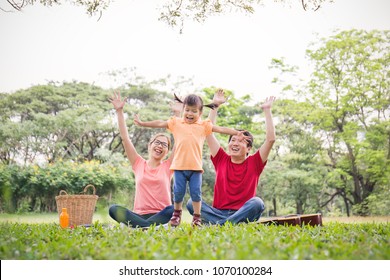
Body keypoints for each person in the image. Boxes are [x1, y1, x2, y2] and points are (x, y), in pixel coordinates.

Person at [134, 93, 248, 227]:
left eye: (194, 111)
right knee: (178, 192)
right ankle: (177, 214)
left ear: (200, 113)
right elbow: (160, 123)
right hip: (179, 167)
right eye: (187, 110)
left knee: (196, 193)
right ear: (183, 110)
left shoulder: (203, 126)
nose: (189, 113)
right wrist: (143, 123)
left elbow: (220, 129)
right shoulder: (176, 123)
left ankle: (197, 217)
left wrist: (236, 132)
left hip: (195, 168)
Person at [186, 91, 276, 225]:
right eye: (233, 140)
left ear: (249, 148)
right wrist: (215, 105)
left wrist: (267, 110)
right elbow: (208, 131)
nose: (235, 143)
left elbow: (270, 140)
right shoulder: (221, 158)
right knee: (190, 202)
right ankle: (229, 223)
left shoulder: (255, 162)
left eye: (241, 141)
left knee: (257, 203)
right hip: (218, 212)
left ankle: (220, 224)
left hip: (243, 212)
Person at [108, 91, 178, 228]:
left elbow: (180, 139)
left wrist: (177, 115)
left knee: (173, 208)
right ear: (149, 145)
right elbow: (125, 138)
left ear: (167, 151)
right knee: (113, 209)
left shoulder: (168, 166)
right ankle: (148, 227)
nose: (160, 146)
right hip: (139, 215)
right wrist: (119, 111)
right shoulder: (138, 163)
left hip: (162, 214)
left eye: (164, 145)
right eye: (157, 142)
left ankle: (138, 227)